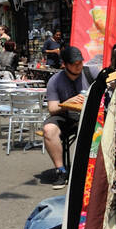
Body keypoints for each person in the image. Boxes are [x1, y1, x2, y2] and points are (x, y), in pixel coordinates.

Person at [44, 46, 96, 188]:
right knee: (48, 130)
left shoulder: (91, 72)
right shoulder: (55, 80)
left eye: (80, 62)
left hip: (89, 115)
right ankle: (61, 171)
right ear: (64, 64)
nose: (78, 66)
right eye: (74, 64)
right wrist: (67, 103)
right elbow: (52, 108)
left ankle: (91, 171)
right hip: (65, 116)